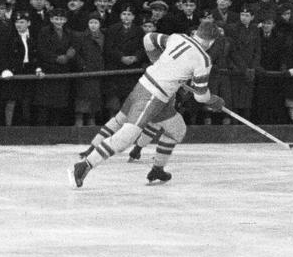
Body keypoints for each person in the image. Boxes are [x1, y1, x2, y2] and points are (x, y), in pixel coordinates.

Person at [71, 14, 224, 189]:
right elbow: (200, 95)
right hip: (153, 95)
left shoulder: (177, 37)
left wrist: (155, 59)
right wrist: (214, 100)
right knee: (127, 136)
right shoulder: (203, 60)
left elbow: (148, 38)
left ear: (197, 32)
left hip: (148, 88)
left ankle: (157, 169)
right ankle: (85, 165)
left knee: (176, 130)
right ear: (211, 42)